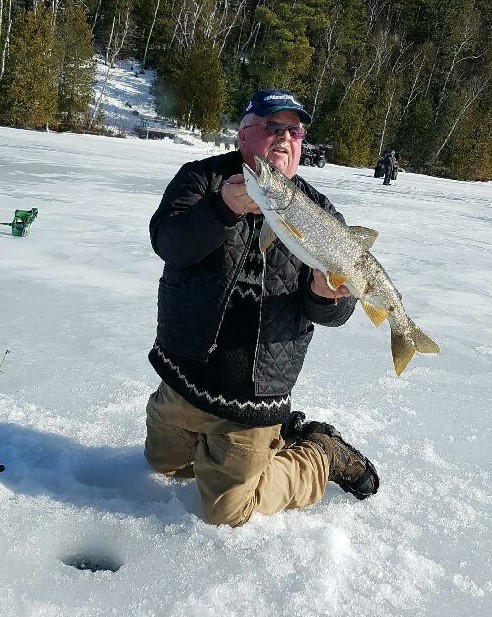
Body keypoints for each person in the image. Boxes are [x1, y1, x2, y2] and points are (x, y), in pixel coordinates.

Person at [145, 89, 379, 527]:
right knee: (166, 467)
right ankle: (251, 443)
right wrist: (222, 208)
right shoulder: (202, 181)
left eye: (295, 131)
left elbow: (334, 312)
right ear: (243, 136)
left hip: (254, 396)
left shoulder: (319, 213)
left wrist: (326, 296)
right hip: (185, 377)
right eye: (273, 127)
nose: (285, 138)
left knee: (226, 510)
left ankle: (320, 455)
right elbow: (169, 243)